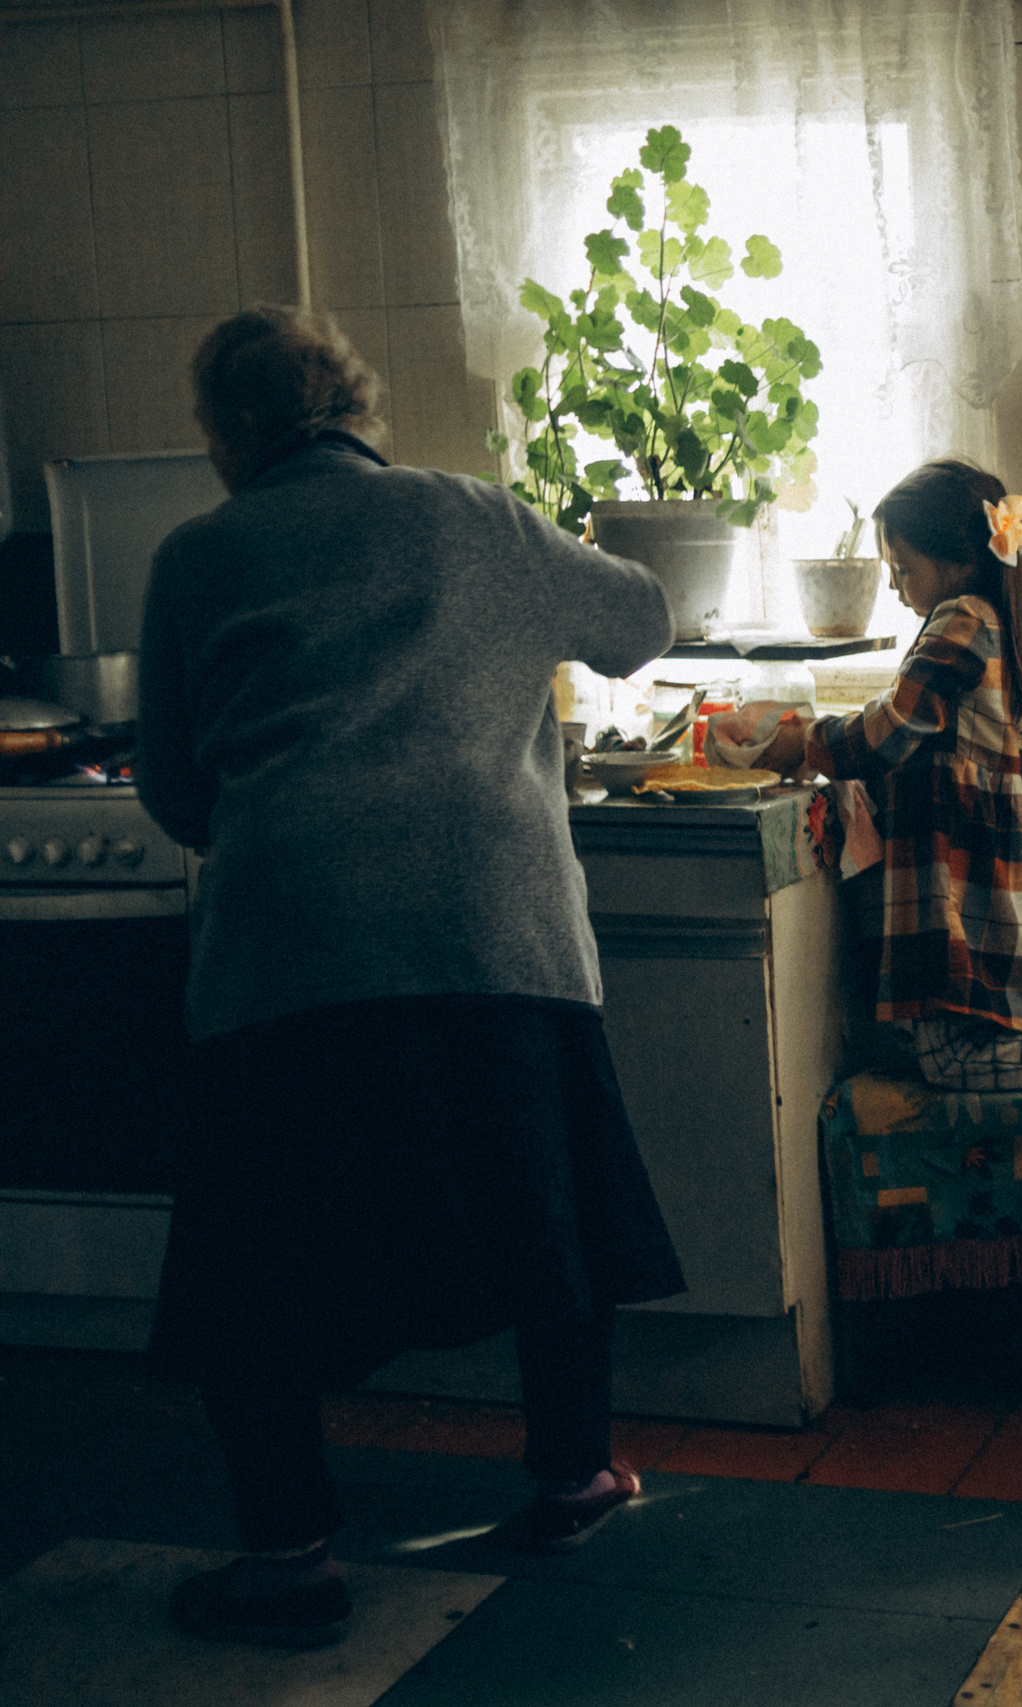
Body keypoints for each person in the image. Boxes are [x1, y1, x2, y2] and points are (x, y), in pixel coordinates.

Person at [137, 306, 688, 1648]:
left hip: (293, 937)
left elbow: (172, 784)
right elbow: (643, 619)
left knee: (260, 1251)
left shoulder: (199, 553)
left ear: (226, 434)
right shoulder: (476, 516)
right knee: (545, 1211)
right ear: (363, 405)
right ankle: (572, 1473)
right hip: (492, 925)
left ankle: (289, 1552)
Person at [746, 459, 1022, 1141]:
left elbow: (894, 726)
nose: (896, 588)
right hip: (968, 866)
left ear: (956, 560)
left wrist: (804, 741)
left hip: (960, 873)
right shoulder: (970, 615)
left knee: (950, 1055)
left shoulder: (961, 618)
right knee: (980, 1031)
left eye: (903, 569)